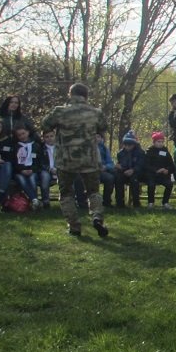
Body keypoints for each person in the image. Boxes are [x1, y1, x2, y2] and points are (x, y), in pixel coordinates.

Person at [39, 82, 110, 237]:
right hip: (89, 159)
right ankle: (97, 217)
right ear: (86, 96)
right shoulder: (95, 112)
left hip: (66, 159)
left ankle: (74, 226)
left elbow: (45, 125)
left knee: (66, 194)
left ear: (70, 95)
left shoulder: (60, 112)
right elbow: (103, 127)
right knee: (93, 191)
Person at [11, 125, 45, 209]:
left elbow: (39, 162)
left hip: (32, 170)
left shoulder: (36, 146)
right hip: (19, 171)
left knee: (32, 179)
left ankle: (33, 202)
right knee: (21, 179)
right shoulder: (16, 147)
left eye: (23, 133)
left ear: (28, 132)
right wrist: (21, 170)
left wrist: (32, 170)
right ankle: (34, 200)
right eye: (19, 135)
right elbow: (14, 162)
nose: (22, 136)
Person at [143, 131, 175, 208]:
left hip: (163, 175)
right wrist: (156, 170)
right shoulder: (149, 152)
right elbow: (146, 165)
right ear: (154, 142)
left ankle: (165, 202)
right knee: (151, 185)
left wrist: (167, 170)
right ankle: (151, 202)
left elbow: (171, 165)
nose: (160, 143)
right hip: (152, 175)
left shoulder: (165, 151)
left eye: (162, 142)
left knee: (169, 184)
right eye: (158, 142)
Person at [114, 131, 145, 208]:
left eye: (130, 144)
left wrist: (133, 170)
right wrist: (119, 167)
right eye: (125, 144)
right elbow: (121, 163)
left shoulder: (140, 152)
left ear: (134, 144)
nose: (127, 146)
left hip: (137, 172)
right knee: (118, 178)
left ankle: (136, 202)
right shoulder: (120, 153)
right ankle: (120, 203)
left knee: (134, 180)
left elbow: (141, 165)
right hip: (124, 172)